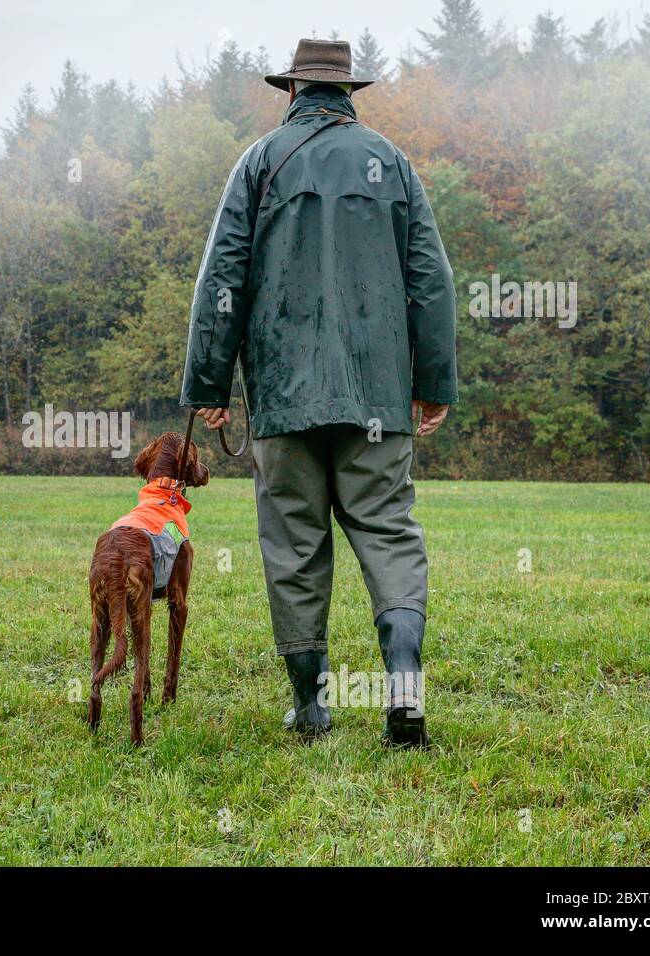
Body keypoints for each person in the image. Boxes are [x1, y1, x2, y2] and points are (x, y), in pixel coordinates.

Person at [180, 38, 457, 748]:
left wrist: (210, 384)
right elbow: (430, 280)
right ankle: (404, 693)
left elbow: (221, 281)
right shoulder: (391, 164)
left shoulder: (258, 162)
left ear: (293, 91)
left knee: (294, 547)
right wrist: (432, 385)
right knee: (389, 534)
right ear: (348, 93)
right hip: (377, 399)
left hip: (284, 398)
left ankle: (310, 707)